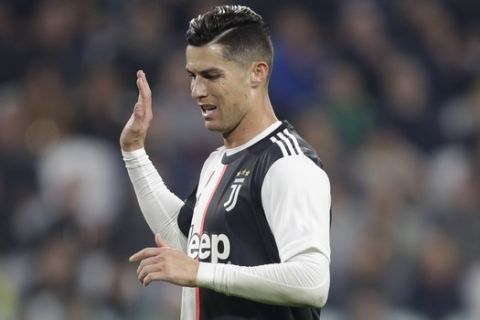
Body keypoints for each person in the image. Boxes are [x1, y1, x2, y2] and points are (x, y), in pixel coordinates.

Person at [120, 5, 331, 320]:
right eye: (192, 76)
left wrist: (201, 272)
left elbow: (312, 282)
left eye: (211, 75)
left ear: (257, 73)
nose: (196, 91)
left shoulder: (287, 163)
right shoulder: (217, 161)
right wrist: (134, 152)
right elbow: (184, 244)